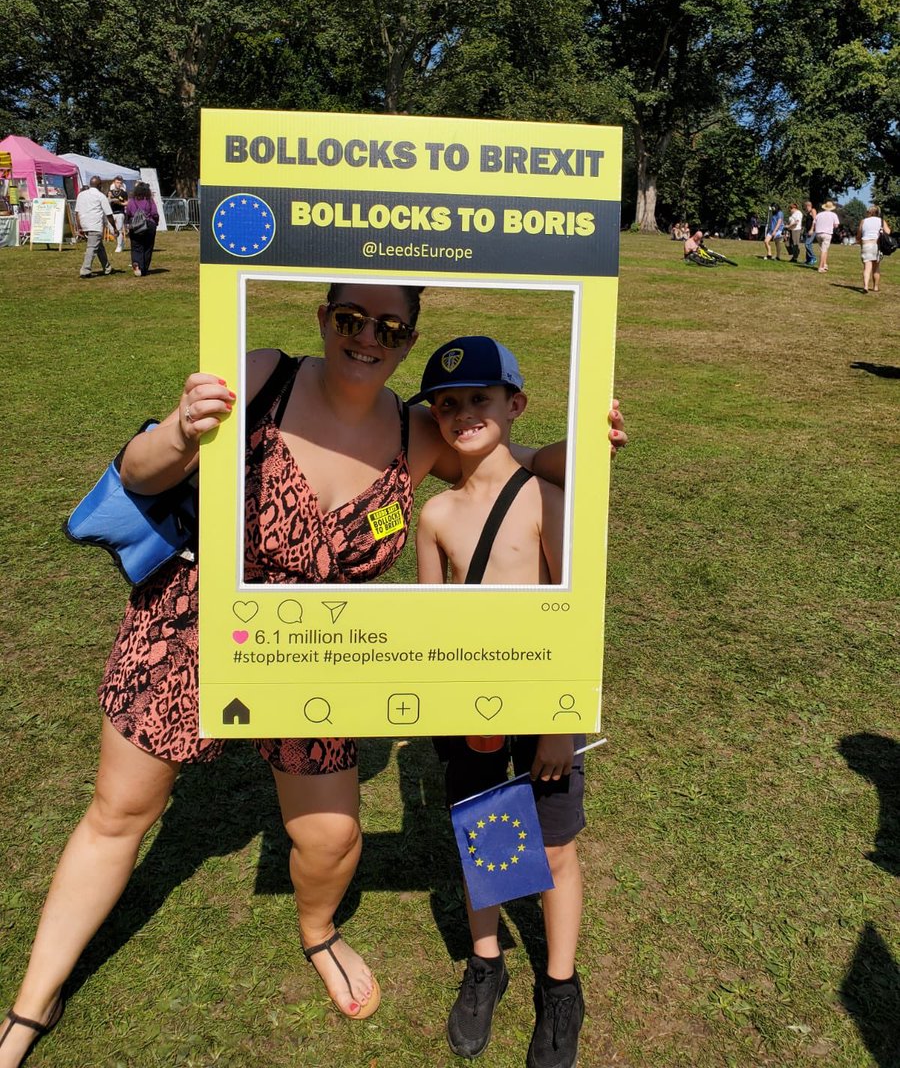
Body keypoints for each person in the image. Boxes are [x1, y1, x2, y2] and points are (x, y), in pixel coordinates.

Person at [0, 282, 627, 1068]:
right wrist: (181, 429)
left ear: (408, 340)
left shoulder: (416, 431)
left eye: (389, 328)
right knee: (120, 812)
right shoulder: (264, 375)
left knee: (330, 837)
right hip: (192, 626)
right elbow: (140, 473)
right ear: (324, 319)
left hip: (316, 658)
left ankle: (318, 932)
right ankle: (32, 1004)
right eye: (351, 319)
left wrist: (594, 442)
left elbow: (518, 462)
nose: (367, 338)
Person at [413, 336, 592, 1068]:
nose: (463, 414)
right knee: (484, 834)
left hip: (544, 703)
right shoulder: (435, 515)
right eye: (447, 405)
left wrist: (559, 726)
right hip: (472, 709)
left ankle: (561, 986)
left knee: (552, 846)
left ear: (515, 405)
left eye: (479, 399)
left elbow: (574, 616)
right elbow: (430, 625)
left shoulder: (546, 497)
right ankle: (485, 963)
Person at [73, 176, 117, 278]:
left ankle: (107, 267)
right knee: (92, 248)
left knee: (99, 247)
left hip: (84, 224)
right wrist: (114, 227)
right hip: (95, 225)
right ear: (100, 185)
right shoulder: (101, 196)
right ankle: (85, 270)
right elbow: (109, 214)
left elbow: (77, 212)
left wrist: (79, 227)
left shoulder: (81, 195)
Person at [125, 181, 159, 277]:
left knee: (136, 246)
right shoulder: (149, 200)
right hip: (149, 225)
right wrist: (156, 222)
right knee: (148, 247)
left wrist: (127, 224)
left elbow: (127, 213)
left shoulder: (132, 201)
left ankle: (136, 263)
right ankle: (144, 269)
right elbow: (154, 213)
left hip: (135, 226)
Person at [857, 204, 890, 294]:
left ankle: (866, 286)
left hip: (866, 244)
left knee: (867, 267)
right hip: (877, 245)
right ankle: (875, 287)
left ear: (869, 212)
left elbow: (859, 235)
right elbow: (888, 232)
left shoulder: (863, 221)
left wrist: (858, 240)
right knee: (876, 267)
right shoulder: (881, 221)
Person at [813, 200, 840, 273]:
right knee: (824, 250)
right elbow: (836, 225)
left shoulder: (819, 214)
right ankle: (820, 267)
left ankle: (825, 264)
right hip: (827, 233)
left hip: (818, 233)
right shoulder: (833, 215)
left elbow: (814, 223)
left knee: (823, 249)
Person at [106, 176, 129, 253]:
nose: (118, 184)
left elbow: (126, 203)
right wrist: (109, 197)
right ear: (114, 183)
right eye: (117, 182)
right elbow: (106, 202)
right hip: (111, 213)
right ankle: (121, 242)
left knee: (119, 229)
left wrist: (119, 203)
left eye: (120, 183)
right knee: (112, 230)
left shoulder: (123, 193)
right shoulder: (110, 192)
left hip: (120, 212)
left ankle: (119, 246)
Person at [801, 201, 818, 266]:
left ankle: (813, 258)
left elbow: (814, 220)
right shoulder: (808, 213)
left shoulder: (813, 210)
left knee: (807, 244)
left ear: (807, 206)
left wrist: (811, 229)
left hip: (812, 230)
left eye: (805, 207)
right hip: (807, 230)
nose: (804, 208)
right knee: (809, 245)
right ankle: (808, 260)